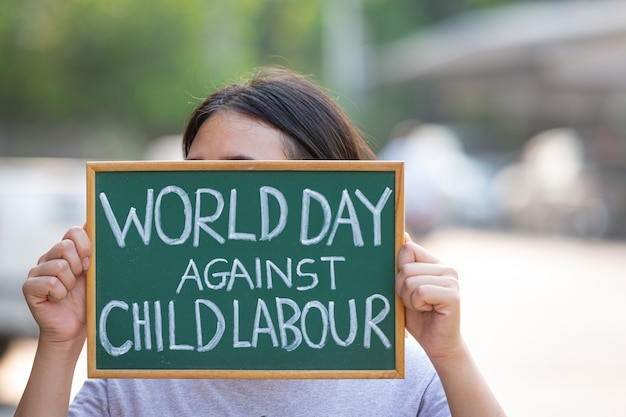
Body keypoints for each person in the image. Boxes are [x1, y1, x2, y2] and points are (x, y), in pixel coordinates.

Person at [15, 67, 506, 417]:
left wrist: (450, 355)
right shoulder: (139, 367)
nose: (206, 204)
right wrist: (59, 344)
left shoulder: (399, 372)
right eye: (192, 177)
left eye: (238, 177)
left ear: (322, 200)